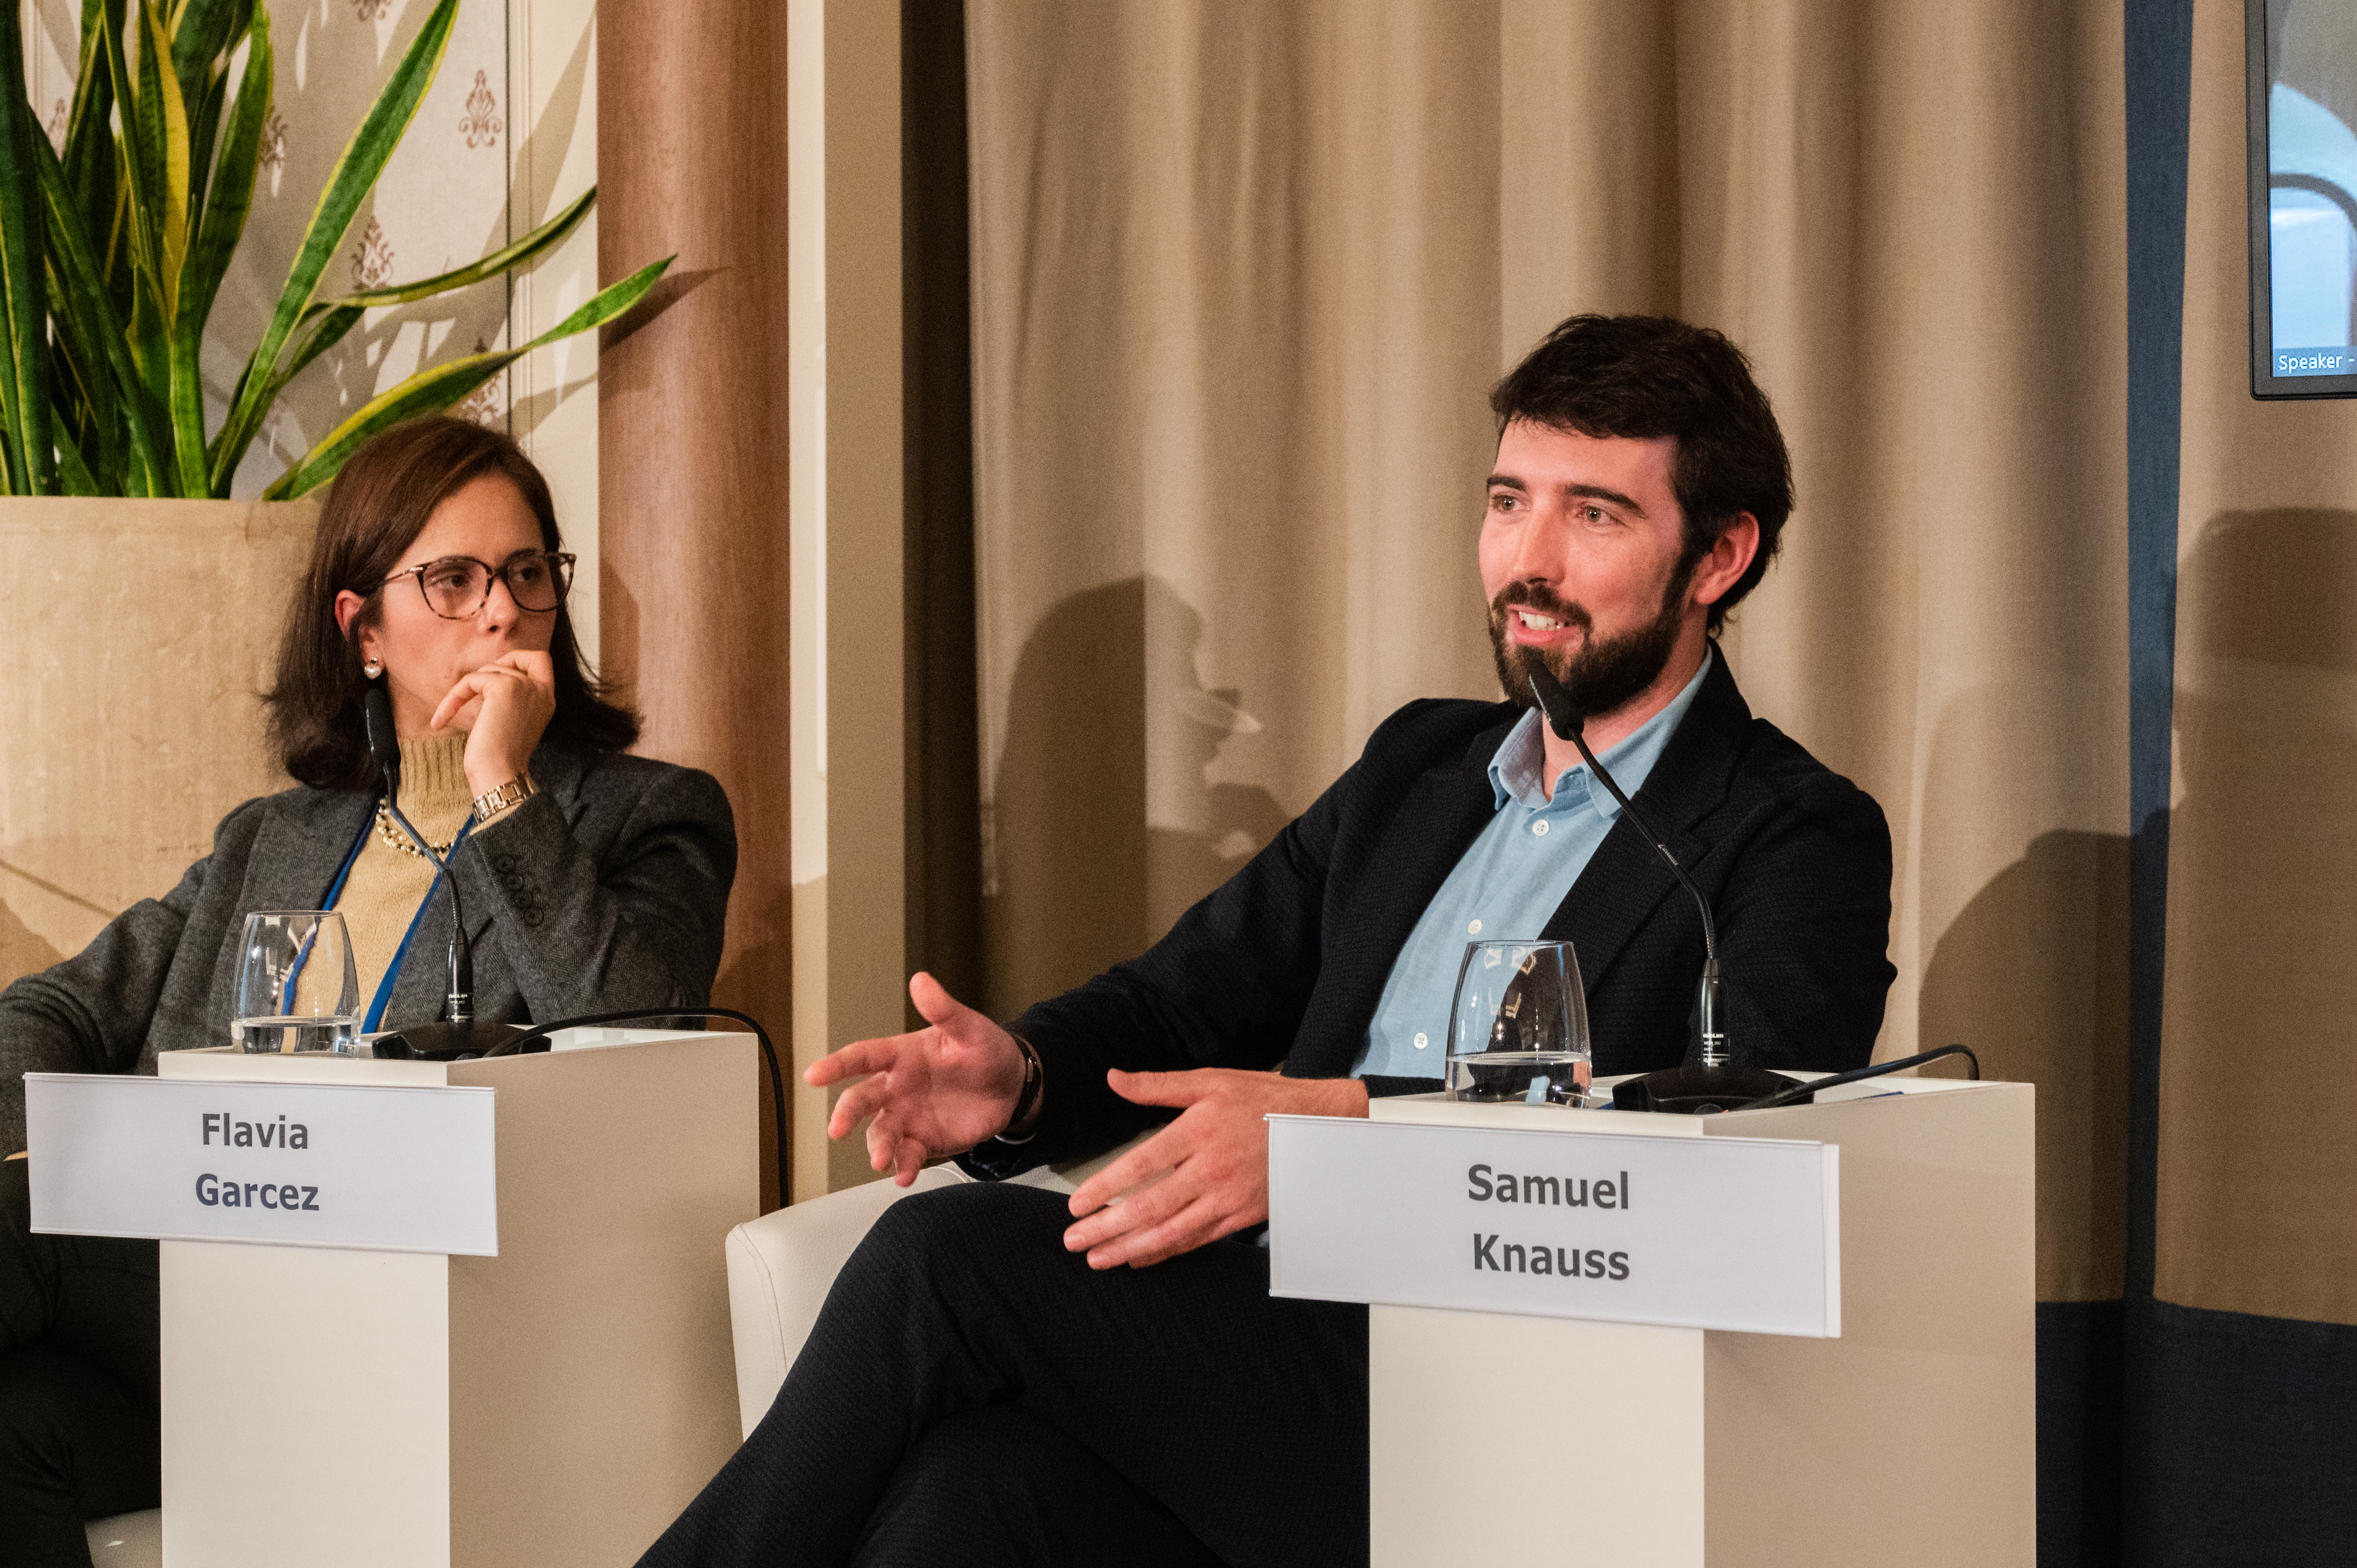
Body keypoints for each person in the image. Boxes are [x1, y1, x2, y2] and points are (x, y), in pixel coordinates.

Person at [637, 316, 1895, 1568]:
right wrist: (1018, 1076)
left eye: (1594, 516)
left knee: (936, 1262)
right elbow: (1188, 1000)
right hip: (1261, 1344)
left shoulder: (1789, 838)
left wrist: (1342, 1140)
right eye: (1508, 501)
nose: (1529, 559)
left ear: (1718, 556)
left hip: (1500, 1386)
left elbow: (1742, 1159)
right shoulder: (1423, 767)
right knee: (970, 1498)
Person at [0, 415, 738, 1568]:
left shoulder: (645, 818)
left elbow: (638, 1031)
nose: (501, 611)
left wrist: (502, 786)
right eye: (452, 579)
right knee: (17, 1420)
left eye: (528, 573)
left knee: (22, 1229)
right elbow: (56, 1009)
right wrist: (45, 1133)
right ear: (364, 632)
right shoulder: (272, 841)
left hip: (423, 1312)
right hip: (203, 1299)